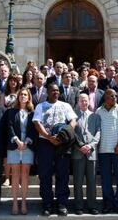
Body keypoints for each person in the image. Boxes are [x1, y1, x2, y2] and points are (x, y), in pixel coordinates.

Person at [33, 83, 77, 216]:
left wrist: (63, 135)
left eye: (57, 90)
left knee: (62, 174)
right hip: (45, 144)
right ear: (47, 92)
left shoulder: (66, 105)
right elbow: (36, 122)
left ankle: (62, 203)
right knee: (45, 175)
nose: (56, 92)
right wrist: (48, 136)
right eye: (53, 90)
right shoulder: (40, 106)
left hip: (62, 144)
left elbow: (73, 121)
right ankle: (47, 204)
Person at [4, 88, 37, 215]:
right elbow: (9, 127)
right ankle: (14, 203)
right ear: (18, 97)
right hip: (14, 146)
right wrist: (17, 141)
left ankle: (23, 202)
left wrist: (27, 142)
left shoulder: (32, 113)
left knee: (25, 175)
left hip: (28, 146)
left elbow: (34, 130)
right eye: (21, 94)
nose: (23, 96)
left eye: (25, 94)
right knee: (15, 174)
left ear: (29, 97)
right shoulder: (11, 112)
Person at [96, 89, 118, 214]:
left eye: (116, 95)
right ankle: (108, 204)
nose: (115, 97)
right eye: (111, 95)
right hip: (103, 150)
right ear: (105, 97)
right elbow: (96, 129)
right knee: (106, 179)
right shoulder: (98, 111)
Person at [72, 94, 101, 215]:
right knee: (77, 181)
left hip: (91, 152)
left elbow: (99, 132)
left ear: (89, 102)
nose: (84, 102)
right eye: (81, 100)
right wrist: (79, 146)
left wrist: (90, 145)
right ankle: (78, 206)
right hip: (77, 153)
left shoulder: (95, 116)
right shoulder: (72, 116)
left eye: (86, 100)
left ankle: (92, 206)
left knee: (92, 180)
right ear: (78, 102)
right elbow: (71, 134)